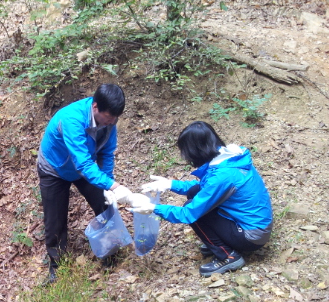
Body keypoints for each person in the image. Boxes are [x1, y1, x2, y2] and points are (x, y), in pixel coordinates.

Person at [131, 121, 272, 277]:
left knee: (193, 209)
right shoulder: (228, 159)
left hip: (251, 235)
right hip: (253, 223)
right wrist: (170, 184)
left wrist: (154, 209)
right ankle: (221, 241)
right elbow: (204, 186)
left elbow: (188, 214)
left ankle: (229, 256)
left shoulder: (223, 176)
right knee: (195, 192)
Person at [38, 83, 134, 281]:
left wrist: (106, 183)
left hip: (86, 164)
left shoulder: (110, 121)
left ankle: (111, 251)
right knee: (55, 221)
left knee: (105, 203)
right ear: (95, 107)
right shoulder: (72, 119)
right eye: (109, 118)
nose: (112, 122)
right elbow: (82, 165)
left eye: (115, 119)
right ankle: (57, 267)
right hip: (55, 168)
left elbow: (107, 152)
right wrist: (113, 186)